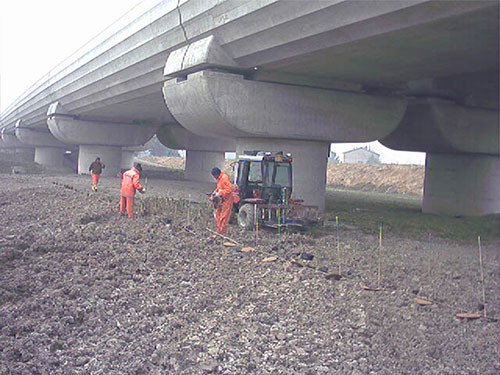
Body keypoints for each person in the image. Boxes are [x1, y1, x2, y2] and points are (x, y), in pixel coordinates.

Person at [210, 167, 232, 235]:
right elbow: (218, 188)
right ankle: (218, 231)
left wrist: (219, 193)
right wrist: (213, 195)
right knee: (218, 216)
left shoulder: (224, 178)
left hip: (226, 200)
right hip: (220, 200)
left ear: (217, 174)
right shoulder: (219, 179)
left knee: (223, 217)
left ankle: (222, 233)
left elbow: (228, 190)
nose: (214, 177)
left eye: (214, 176)